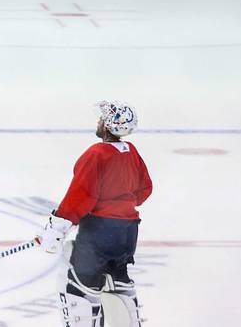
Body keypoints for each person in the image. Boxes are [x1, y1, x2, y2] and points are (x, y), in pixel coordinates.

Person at [36, 101, 152, 327]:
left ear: (109, 125)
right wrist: (119, 205)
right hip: (128, 233)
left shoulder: (97, 153)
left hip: (100, 233)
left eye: (102, 118)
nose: (98, 121)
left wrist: (56, 228)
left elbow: (81, 196)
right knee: (116, 279)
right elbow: (144, 188)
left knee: (78, 284)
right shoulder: (131, 151)